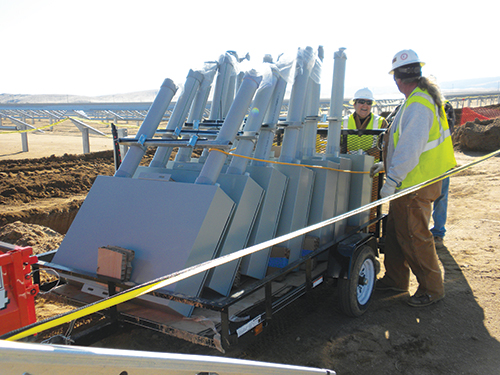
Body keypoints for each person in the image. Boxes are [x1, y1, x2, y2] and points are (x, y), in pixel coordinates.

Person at [371, 49, 456, 307]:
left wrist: (392, 180)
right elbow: (403, 142)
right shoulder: (418, 99)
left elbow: (410, 149)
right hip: (411, 181)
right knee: (396, 231)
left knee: (414, 236)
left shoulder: (419, 104)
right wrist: (383, 164)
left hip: (416, 184)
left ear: (397, 79)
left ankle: (432, 288)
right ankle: (396, 279)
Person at [431, 102, 456, 249]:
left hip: (441, 160)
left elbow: (447, 130)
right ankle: (419, 232)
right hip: (423, 160)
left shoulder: (445, 107)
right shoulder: (414, 104)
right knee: (419, 198)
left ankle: (438, 232)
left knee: (440, 196)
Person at [343, 87, 388, 154]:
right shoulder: (343, 122)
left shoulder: (381, 122)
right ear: (354, 105)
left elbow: (386, 144)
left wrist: (367, 154)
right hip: (347, 162)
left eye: (369, 103)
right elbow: (336, 144)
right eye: (361, 102)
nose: (365, 105)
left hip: (373, 164)